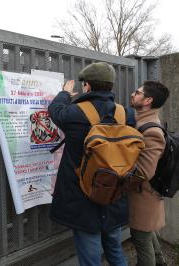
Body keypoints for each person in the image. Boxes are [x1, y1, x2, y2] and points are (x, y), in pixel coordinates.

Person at [48, 62, 128, 266]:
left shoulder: (75, 113)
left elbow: (55, 110)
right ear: (110, 85)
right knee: (115, 250)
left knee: (90, 257)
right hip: (113, 193)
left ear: (88, 86)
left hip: (83, 198)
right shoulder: (126, 114)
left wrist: (65, 93)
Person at [129, 81, 169, 266]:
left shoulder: (151, 130)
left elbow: (144, 171)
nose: (132, 94)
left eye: (137, 92)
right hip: (145, 196)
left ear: (148, 100)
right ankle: (161, 262)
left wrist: (116, 171)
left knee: (141, 239)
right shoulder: (144, 121)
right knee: (147, 233)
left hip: (144, 197)